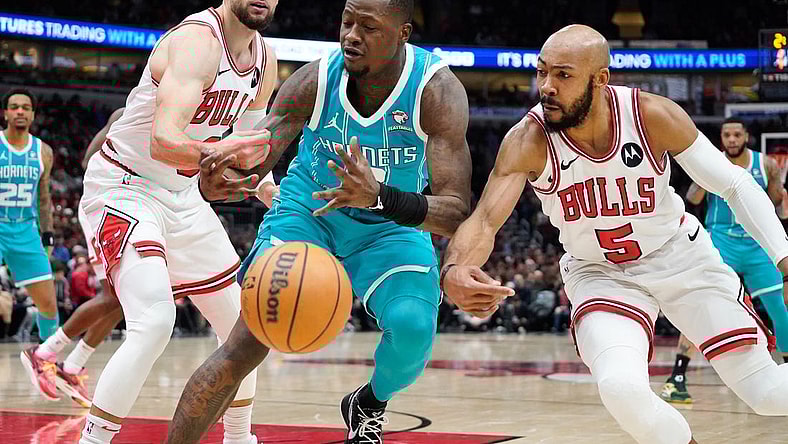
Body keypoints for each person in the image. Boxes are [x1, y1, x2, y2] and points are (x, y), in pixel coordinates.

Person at [440, 25, 788, 444]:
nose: (547, 87)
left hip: (679, 257)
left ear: (600, 79)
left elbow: (733, 184)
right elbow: (484, 220)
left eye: (563, 75)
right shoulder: (527, 139)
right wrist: (457, 267)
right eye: (542, 72)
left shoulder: (651, 115)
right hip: (598, 273)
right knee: (622, 388)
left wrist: (784, 257)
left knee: (767, 394)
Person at [164, 1, 482, 442]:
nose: (352, 35)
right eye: (348, 21)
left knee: (412, 332)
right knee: (246, 343)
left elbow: (454, 212)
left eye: (369, 27)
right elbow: (259, 163)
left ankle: (369, 402)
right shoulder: (315, 80)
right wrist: (226, 180)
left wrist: (379, 197)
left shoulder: (436, 91)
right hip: (308, 212)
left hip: (389, 226)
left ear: (403, 34)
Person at [76, 0, 280, 442]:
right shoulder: (196, 43)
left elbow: (245, 155)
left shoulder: (265, 59)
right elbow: (164, 141)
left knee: (246, 327)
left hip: (182, 195)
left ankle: (241, 438)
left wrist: (269, 191)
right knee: (153, 322)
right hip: (124, 187)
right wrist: (222, 159)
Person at [661, 118, 788, 404]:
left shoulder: (766, 165)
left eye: (736, 134)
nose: (732, 139)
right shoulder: (711, 161)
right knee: (701, 308)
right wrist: (702, 178)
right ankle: (677, 378)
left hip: (756, 247)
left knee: (781, 310)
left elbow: (775, 208)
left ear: (746, 137)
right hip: (720, 243)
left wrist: (781, 201)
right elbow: (693, 199)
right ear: (721, 138)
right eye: (727, 135)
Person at [1, 88, 61, 400]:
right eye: (14, 107)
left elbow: (44, 196)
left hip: (25, 231)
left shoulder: (43, 152)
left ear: (33, 115)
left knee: (49, 305)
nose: (20, 112)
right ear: (6, 113)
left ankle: (46, 364)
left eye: (26, 107)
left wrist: (48, 234)